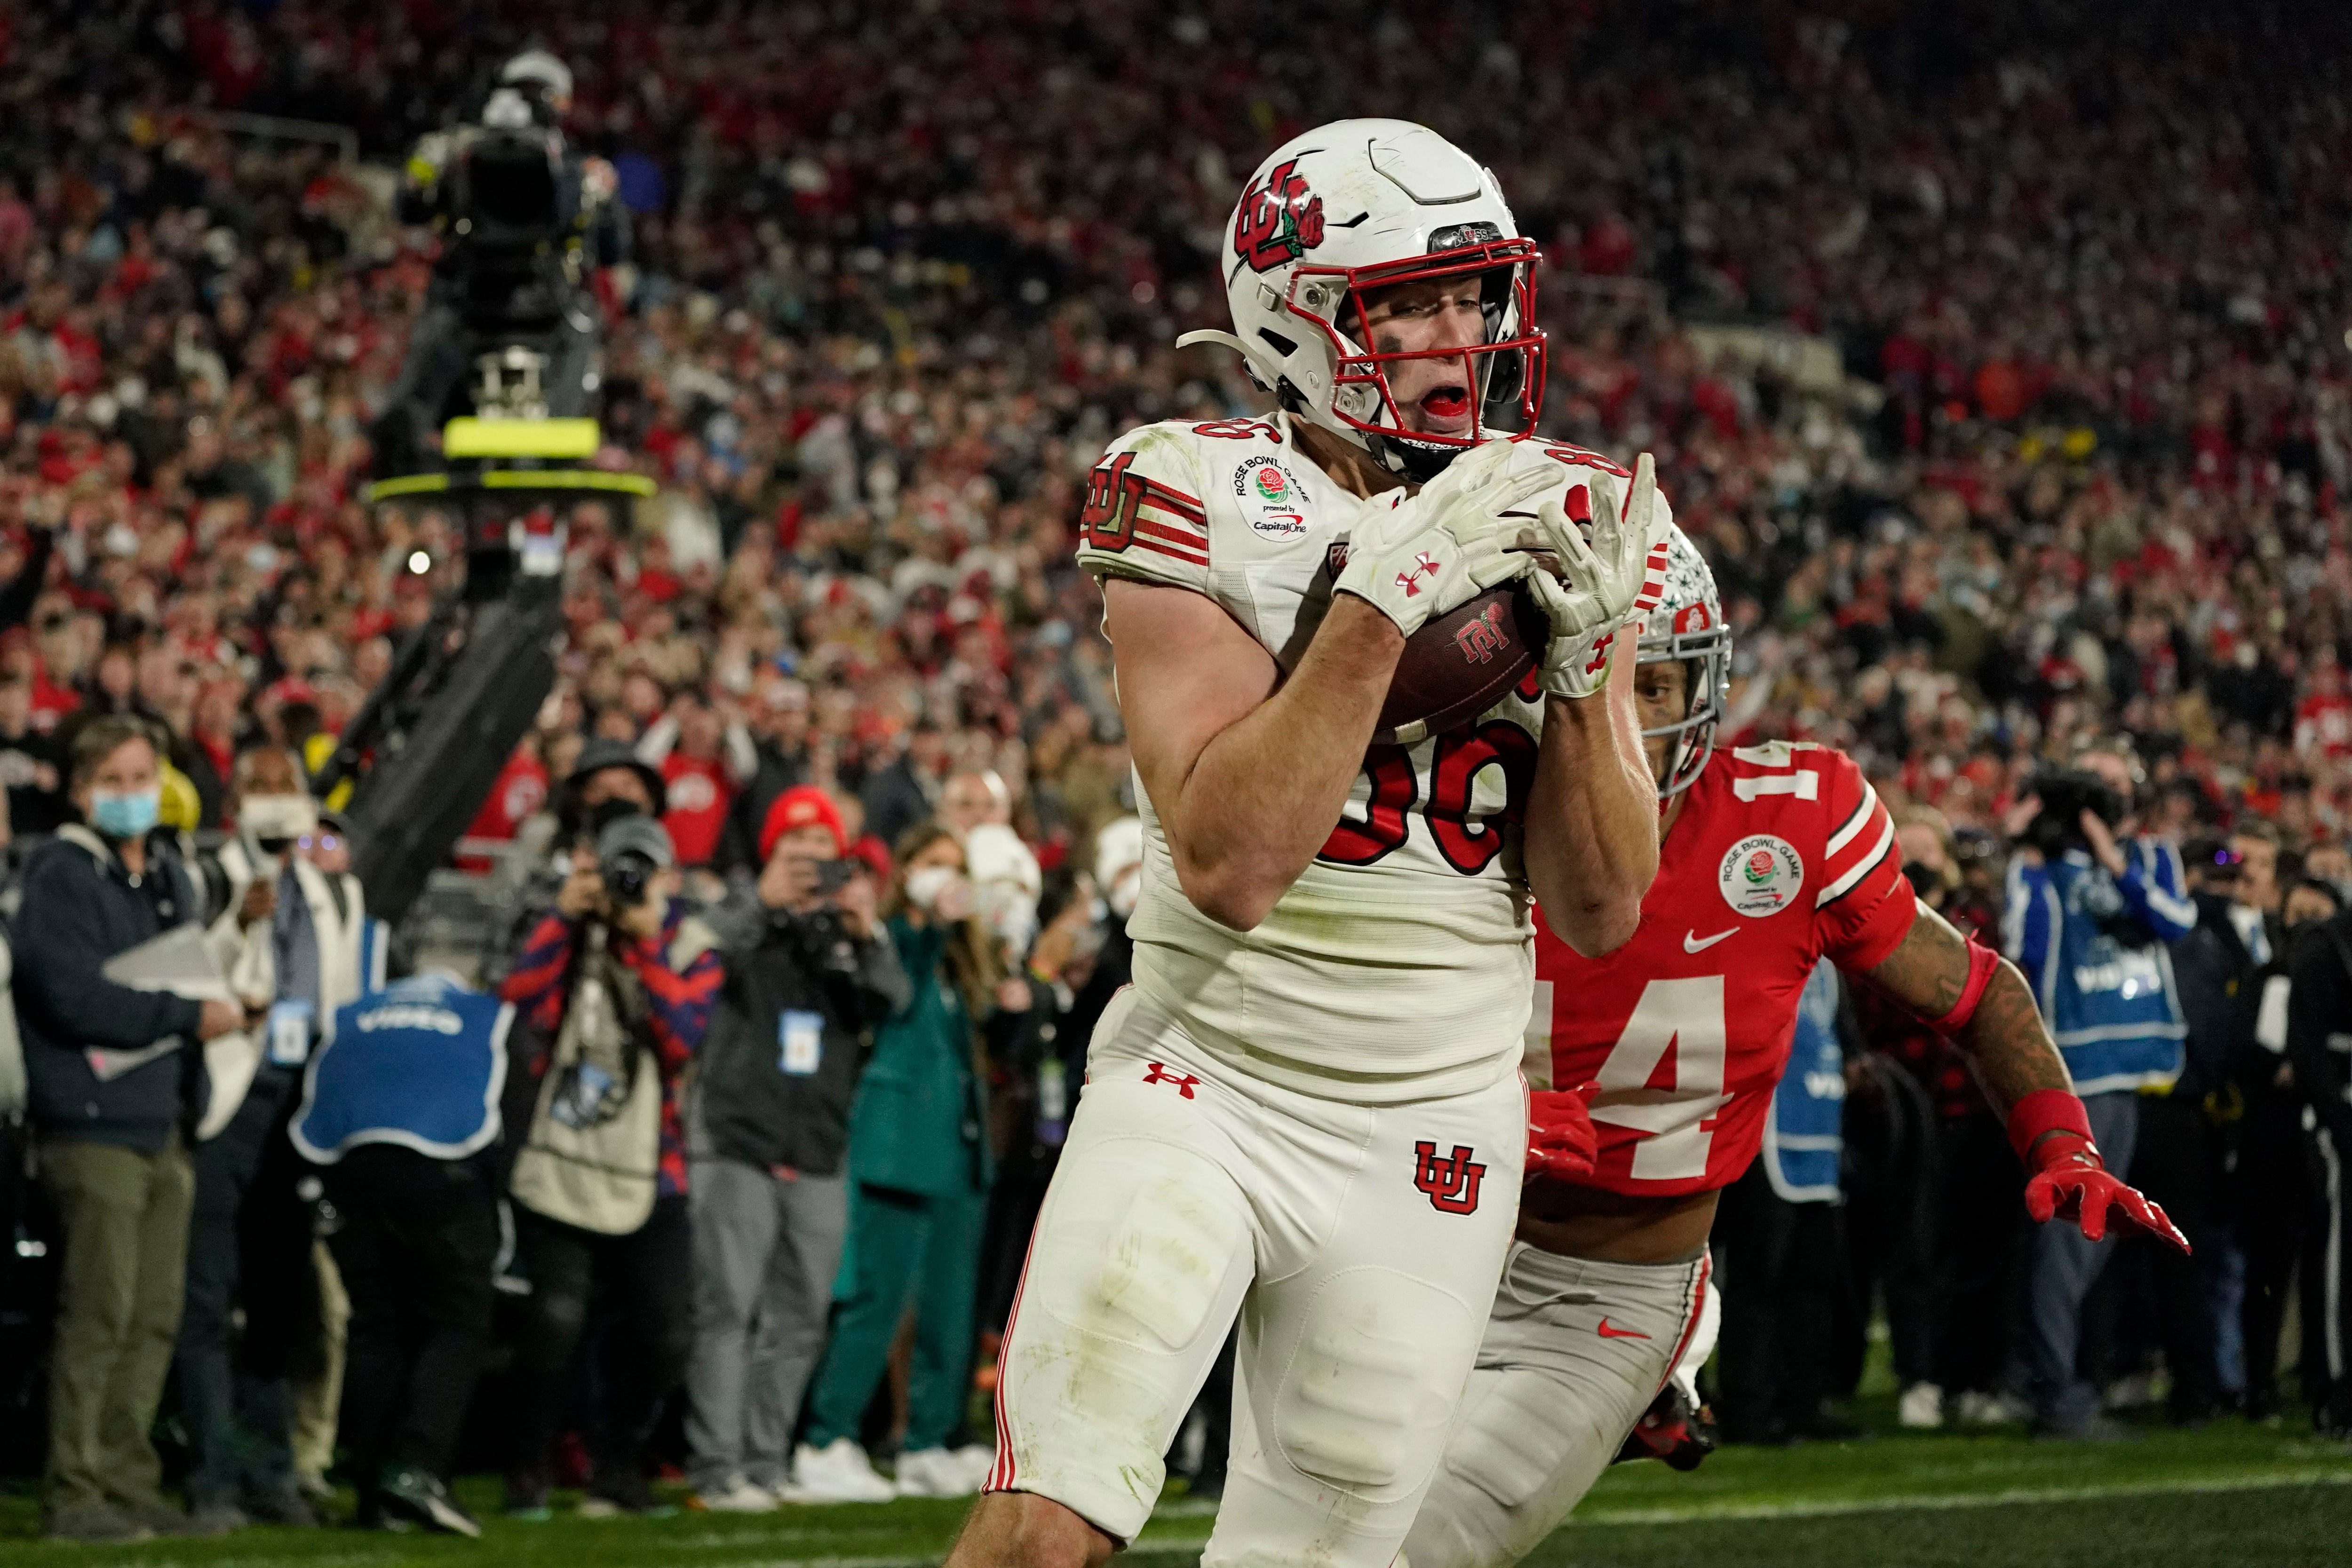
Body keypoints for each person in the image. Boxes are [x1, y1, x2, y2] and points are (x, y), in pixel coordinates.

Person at [950, 120, 1662, 1568]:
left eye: (1471, 293)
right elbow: (1228, 857)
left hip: (1431, 1130)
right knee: (1043, 1534)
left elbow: (1599, 908)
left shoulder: (1558, 509)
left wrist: (1586, 672)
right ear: (1295, 309)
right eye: (1406, 298)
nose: (1454, 331)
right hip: (1207, 1078)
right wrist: (1381, 601)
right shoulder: (1194, 486)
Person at [1399, 528, 2185, 1568]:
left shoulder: (1787, 821)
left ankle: (1667, 1345)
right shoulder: (1427, 816)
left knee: (1403, 1548)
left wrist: (2062, 1142)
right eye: (1589, 680)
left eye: (1653, 680)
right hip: (1409, 1255)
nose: (1621, 717)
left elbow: (1977, 991)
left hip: (1603, 1286)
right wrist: (1472, 1112)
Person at [15, 716, 246, 1544]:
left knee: (151, 1317)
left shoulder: (167, 878)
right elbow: (67, 993)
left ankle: (124, 1474)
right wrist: (186, 1012)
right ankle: (73, 1490)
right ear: (81, 791)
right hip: (91, 1121)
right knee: (97, 1313)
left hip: (160, 1119)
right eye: (113, 780)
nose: (131, 794)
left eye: (141, 776)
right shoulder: (60, 873)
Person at [684, 786, 907, 1512]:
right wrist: (765, 902)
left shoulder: (844, 934)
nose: (813, 868)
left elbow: (892, 1000)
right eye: (797, 853)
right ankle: (716, 1466)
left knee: (800, 1315)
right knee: (728, 1309)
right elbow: (693, 953)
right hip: (737, 1137)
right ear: (771, 854)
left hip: (816, 1145)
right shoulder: (736, 913)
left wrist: (867, 930)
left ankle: (766, 1461)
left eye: (824, 855)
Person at [175, 750, 379, 1532]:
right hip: (228, 1098)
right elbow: (185, 977)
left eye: (287, 788)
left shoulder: (338, 890)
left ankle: (273, 1472)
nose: (277, 804)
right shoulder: (208, 878)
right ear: (236, 805)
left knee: (280, 1301)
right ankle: (212, 1476)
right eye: (261, 789)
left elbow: (345, 996)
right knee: (207, 1298)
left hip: (302, 1104)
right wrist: (237, 924)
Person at [500, 805, 720, 1518]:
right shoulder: (566, 925)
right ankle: (528, 1465)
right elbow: (519, 1004)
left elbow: (683, 1036)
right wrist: (565, 921)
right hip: (564, 1154)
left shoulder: (691, 943)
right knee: (554, 1319)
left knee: (668, 1332)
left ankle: (617, 1460)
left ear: (669, 875)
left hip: (657, 1167)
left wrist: (646, 940)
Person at [797, 822, 1008, 1503]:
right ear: (907, 871)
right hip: (897, 1149)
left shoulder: (956, 962)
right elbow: (897, 991)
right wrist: (932, 924)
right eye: (932, 863)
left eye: (955, 865)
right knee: (877, 1303)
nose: (947, 877)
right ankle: (826, 1436)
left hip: (955, 1154)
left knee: (949, 1311)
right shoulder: (897, 942)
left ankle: (927, 1439)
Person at [2001, 741, 2196, 1437]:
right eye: (2088, 788)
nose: (2099, 799)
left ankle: (2080, 1376)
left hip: (2147, 1068)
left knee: (2111, 1243)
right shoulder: (2042, 871)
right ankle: (2055, 1390)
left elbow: (2174, 922)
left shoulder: (2150, 858)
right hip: (2083, 1077)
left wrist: (2111, 857)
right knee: (2070, 1242)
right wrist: (2026, 847)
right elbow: (2024, 948)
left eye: (2112, 785)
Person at [291, 970, 513, 1536]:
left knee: (377, 1327)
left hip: (351, 1166)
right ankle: (416, 1468)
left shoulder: (355, 1011)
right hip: (443, 1164)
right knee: (457, 1321)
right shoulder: (481, 1010)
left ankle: (372, 1487)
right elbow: (495, 1102)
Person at [2283, 888, 2352, 1435]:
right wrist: (2339, 1125)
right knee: (2339, 1258)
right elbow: (2306, 1051)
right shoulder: (2324, 949)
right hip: (2338, 1123)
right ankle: (2337, 1389)